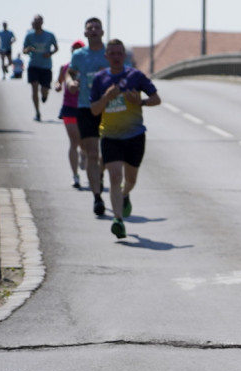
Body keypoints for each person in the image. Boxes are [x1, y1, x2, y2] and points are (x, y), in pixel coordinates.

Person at [90, 38, 160, 239]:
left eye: (119, 53)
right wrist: (107, 97)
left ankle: (125, 194)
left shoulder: (135, 76)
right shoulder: (99, 79)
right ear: (106, 56)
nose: (116, 57)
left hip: (135, 135)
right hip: (110, 136)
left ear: (125, 55)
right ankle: (118, 220)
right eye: (111, 53)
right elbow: (94, 110)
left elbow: (157, 99)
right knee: (114, 177)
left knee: (130, 180)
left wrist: (142, 102)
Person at [66, 18, 108, 217]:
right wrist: (70, 82)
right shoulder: (78, 55)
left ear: (102, 32)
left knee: (106, 155)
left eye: (96, 28)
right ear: (85, 33)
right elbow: (70, 73)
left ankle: (100, 175)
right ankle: (97, 198)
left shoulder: (110, 54)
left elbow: (125, 74)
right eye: (89, 28)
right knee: (92, 152)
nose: (93, 30)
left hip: (110, 109)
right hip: (85, 107)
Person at [55, 40, 87, 189]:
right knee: (73, 141)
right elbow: (59, 82)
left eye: (79, 49)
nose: (76, 51)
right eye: (74, 49)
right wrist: (57, 86)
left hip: (85, 107)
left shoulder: (88, 67)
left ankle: (84, 153)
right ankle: (75, 176)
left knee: (84, 143)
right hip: (69, 107)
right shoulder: (66, 67)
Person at [22, 15, 58, 121]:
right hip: (33, 65)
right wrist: (28, 49)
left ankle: (45, 95)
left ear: (42, 22)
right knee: (34, 87)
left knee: (44, 89)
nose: (37, 23)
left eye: (39, 21)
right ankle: (37, 112)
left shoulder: (49, 35)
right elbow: (23, 50)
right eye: (35, 21)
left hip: (46, 66)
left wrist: (50, 53)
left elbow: (56, 48)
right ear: (33, 22)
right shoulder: (29, 36)